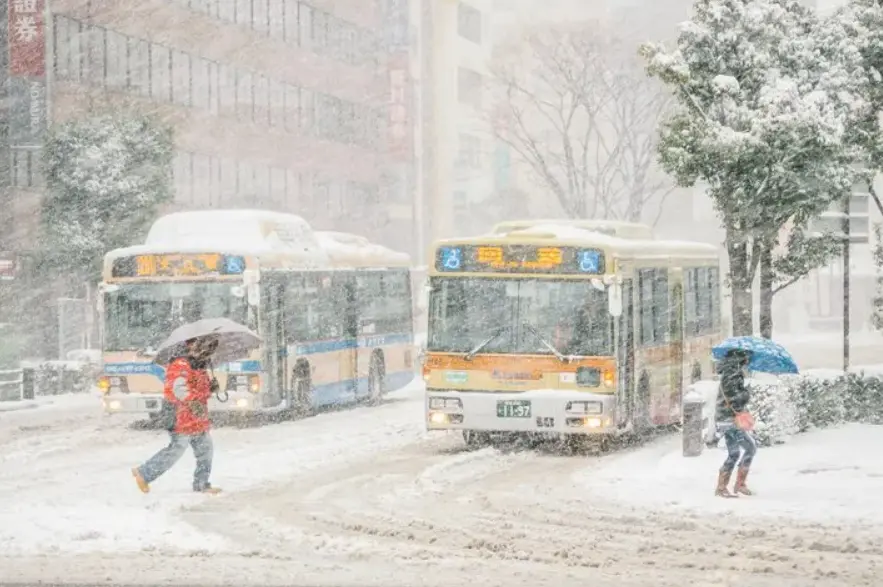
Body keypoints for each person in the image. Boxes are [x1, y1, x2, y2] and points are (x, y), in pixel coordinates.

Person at [132, 336, 222, 494]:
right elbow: (179, 389)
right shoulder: (180, 364)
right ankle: (144, 473)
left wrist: (210, 388)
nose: (209, 352)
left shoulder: (200, 365)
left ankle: (201, 484)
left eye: (212, 349)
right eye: (207, 348)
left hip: (196, 416)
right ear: (192, 345)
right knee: (177, 449)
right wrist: (193, 402)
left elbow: (198, 389)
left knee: (206, 450)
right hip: (180, 415)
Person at [714, 348, 757, 498]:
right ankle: (738, 484)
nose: (748, 361)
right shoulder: (733, 374)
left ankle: (722, 487)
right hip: (730, 420)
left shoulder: (729, 372)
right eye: (746, 358)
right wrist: (746, 394)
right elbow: (735, 398)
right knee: (750, 448)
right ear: (740, 358)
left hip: (725, 419)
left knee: (734, 453)